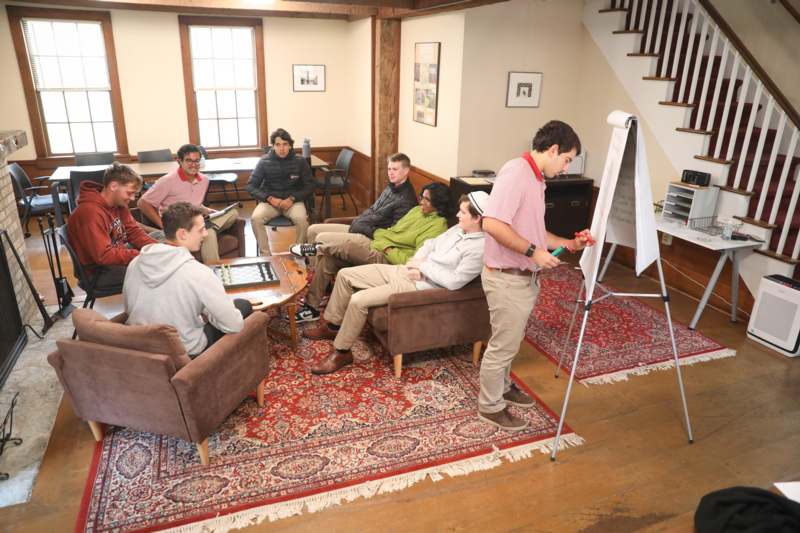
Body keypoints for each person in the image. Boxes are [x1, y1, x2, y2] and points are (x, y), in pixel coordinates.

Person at [478, 120, 594, 431]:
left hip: (521, 277)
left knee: (509, 341)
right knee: (503, 345)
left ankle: (502, 388)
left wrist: (568, 244)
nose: (567, 167)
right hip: (507, 277)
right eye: (567, 159)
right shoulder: (517, 173)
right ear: (553, 149)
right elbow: (492, 224)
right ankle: (490, 406)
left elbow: (534, 231)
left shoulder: (534, 177)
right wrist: (533, 253)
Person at [303, 192, 490, 374]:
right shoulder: (458, 229)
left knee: (358, 300)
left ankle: (342, 352)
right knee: (345, 275)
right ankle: (334, 327)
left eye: (463, 212)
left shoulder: (479, 248)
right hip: (407, 271)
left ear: (477, 218)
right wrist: (415, 262)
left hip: (418, 286)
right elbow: (429, 244)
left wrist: (423, 268)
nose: (457, 215)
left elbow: (455, 281)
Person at [291, 182, 450, 323]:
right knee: (329, 259)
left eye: (427, 199)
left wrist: (386, 247)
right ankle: (311, 308)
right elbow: (390, 231)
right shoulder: (416, 210)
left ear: (438, 203)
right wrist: (380, 237)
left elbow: (412, 260)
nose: (421, 201)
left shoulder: (438, 226)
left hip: (387, 258)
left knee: (342, 243)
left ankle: (316, 248)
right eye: (422, 196)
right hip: (379, 242)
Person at [123, 202, 252, 357]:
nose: (205, 234)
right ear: (182, 234)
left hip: (142, 348)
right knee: (242, 306)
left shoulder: (135, 263)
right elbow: (233, 325)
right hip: (185, 351)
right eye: (201, 229)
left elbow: (129, 308)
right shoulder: (199, 273)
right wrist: (209, 315)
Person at [137, 144, 239, 263]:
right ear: (179, 161)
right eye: (189, 160)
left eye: (197, 161)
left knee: (233, 213)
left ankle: (207, 226)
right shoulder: (167, 181)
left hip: (197, 219)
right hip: (179, 224)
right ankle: (212, 270)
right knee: (209, 234)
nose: (194, 164)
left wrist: (206, 209)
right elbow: (142, 203)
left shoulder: (204, 180)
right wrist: (163, 226)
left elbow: (193, 202)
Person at [296, 152, 418, 251]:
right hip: (358, 226)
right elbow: (373, 211)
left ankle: (312, 270)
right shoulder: (392, 186)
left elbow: (392, 234)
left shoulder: (407, 200)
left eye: (395, 169)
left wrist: (363, 227)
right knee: (312, 229)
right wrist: (359, 222)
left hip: (369, 238)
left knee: (321, 238)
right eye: (389, 169)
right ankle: (311, 269)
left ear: (406, 171)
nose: (390, 173)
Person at [67, 162, 158, 291]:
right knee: (158, 270)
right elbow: (104, 256)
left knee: (158, 241)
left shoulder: (118, 203)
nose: (132, 198)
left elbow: (134, 232)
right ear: (114, 186)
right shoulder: (90, 212)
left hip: (114, 257)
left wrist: (160, 249)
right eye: (129, 193)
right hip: (98, 272)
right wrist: (143, 255)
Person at [247, 128, 314, 255]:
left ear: (290, 145)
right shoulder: (264, 161)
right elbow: (250, 186)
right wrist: (269, 198)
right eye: (278, 145)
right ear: (273, 146)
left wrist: (292, 198)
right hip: (271, 201)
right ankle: (265, 255)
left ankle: (298, 253)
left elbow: (310, 185)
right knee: (256, 218)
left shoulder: (300, 161)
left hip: (293, 201)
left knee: (302, 220)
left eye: (285, 144)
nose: (281, 148)